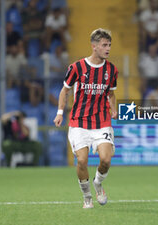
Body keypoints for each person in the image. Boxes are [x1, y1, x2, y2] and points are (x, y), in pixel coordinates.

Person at [53, 28, 118, 209]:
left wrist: (113, 109)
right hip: (79, 122)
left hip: (102, 122)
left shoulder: (111, 70)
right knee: (82, 160)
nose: (108, 48)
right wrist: (59, 113)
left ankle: (98, 183)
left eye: (109, 45)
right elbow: (65, 90)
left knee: (105, 159)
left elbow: (111, 94)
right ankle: (87, 196)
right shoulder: (76, 67)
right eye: (104, 45)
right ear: (94, 46)